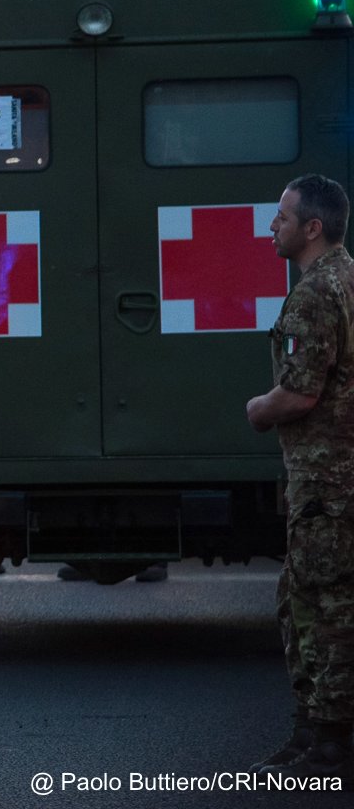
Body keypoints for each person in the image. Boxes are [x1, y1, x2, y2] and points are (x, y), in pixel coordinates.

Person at [245, 174, 354, 781]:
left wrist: (260, 408)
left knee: (316, 605)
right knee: (322, 599)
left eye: (282, 217)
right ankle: (317, 734)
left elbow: (301, 394)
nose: (273, 226)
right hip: (340, 478)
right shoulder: (349, 277)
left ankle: (325, 741)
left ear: (312, 228)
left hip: (327, 484)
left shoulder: (315, 293)